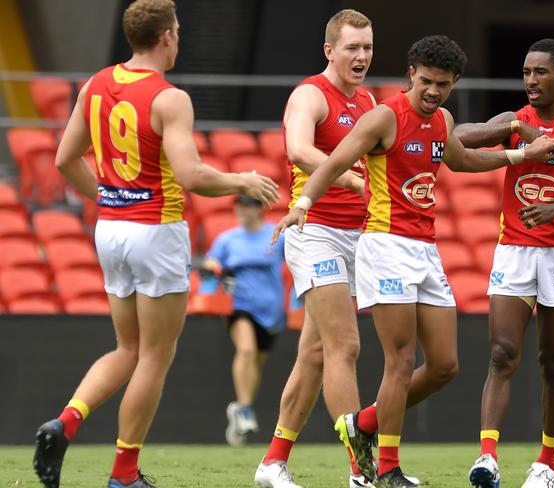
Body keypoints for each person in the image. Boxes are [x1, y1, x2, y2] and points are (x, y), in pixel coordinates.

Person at [274, 35, 554, 488]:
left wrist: (522, 154)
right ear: (411, 73)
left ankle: (363, 423)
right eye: (427, 81)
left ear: (454, 84)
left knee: (445, 365)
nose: (433, 91)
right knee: (401, 360)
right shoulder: (384, 117)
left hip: (425, 249)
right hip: (385, 246)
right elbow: (333, 163)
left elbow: (464, 160)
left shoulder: (443, 119)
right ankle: (387, 468)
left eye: (443, 84)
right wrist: (303, 203)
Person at [32, 1, 279, 487]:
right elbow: (190, 175)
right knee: (154, 356)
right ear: (166, 36)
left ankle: (65, 423)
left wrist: (108, 203)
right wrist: (241, 180)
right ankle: (124, 475)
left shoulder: (96, 84)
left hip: (111, 230)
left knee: (127, 347)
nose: (180, 38)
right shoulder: (170, 98)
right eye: (179, 31)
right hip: (156, 231)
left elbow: (65, 158)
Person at [454, 38, 554, 488]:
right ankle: (487, 457)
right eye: (525, 72)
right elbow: (456, 141)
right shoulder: (514, 121)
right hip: (515, 251)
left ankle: (547, 463)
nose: (530, 80)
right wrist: (516, 135)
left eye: (540, 72)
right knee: (502, 354)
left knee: (550, 363)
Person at [253, 9, 378, 488]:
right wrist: (347, 177)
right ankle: (360, 470)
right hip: (316, 231)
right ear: (330, 51)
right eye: (352, 48)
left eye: (367, 47)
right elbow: (299, 149)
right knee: (345, 345)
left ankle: (272, 463)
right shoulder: (310, 94)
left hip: (357, 236)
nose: (361, 56)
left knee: (314, 354)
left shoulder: (367, 101)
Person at [202, 196, 286, 447]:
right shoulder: (228, 239)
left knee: (256, 364)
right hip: (239, 305)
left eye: (247, 205)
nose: (241, 210)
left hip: (270, 310)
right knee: (246, 349)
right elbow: (210, 261)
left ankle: (240, 408)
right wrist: (213, 267)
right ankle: (246, 410)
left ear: (259, 209)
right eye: (238, 206)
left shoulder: (276, 235)